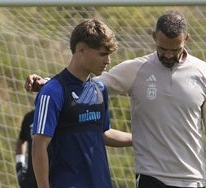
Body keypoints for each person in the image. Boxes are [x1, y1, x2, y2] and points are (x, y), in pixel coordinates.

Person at [25, 10, 206, 188]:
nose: (168, 55)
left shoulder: (204, 73)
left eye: (174, 50)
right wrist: (47, 83)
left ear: (186, 39)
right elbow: (82, 84)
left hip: (192, 179)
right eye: (163, 49)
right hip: (150, 177)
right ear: (154, 38)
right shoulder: (136, 69)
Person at [30, 18, 132, 188]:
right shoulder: (52, 92)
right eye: (102, 54)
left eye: (109, 55)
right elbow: (39, 145)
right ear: (81, 49)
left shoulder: (100, 89)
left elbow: (103, 133)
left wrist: (138, 138)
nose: (108, 61)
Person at [15, 109, 37, 188]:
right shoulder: (30, 117)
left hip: (55, 180)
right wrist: (19, 164)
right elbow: (21, 141)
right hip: (31, 181)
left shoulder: (62, 118)